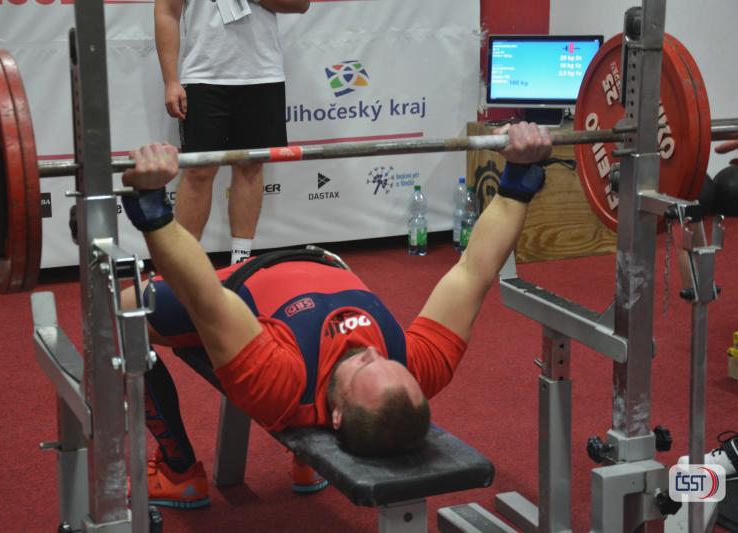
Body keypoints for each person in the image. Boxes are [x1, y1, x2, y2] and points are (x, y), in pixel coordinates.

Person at [121, 122, 553, 508]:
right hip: (323, 260)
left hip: (240, 287)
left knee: (121, 312)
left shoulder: (283, 384)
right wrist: (519, 178)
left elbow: (205, 298)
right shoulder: (417, 368)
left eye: (364, 366)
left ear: (336, 417)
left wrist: (153, 209)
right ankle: (304, 464)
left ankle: (179, 471)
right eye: (389, 362)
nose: (371, 351)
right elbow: (473, 272)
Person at [154, 0, 310, 265]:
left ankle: (241, 261)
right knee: (199, 171)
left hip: (262, 75)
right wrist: (170, 81)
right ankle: (184, 266)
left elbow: (300, 4)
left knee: (250, 167)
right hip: (203, 76)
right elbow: (167, 12)